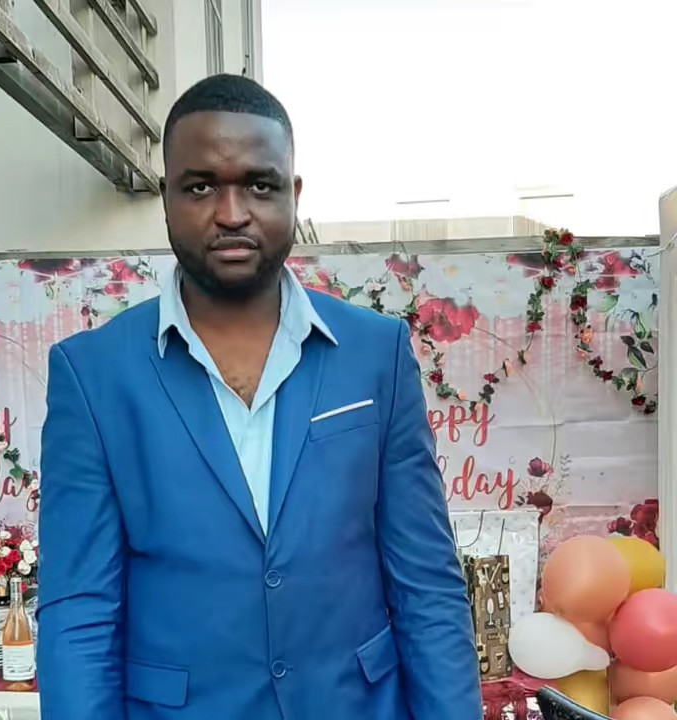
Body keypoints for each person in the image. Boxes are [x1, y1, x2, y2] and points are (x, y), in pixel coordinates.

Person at [37, 74, 481, 720]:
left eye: (259, 185)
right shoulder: (93, 375)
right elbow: (79, 614)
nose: (232, 213)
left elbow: (427, 585)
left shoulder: (375, 354)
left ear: (293, 195)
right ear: (166, 197)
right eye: (201, 187)